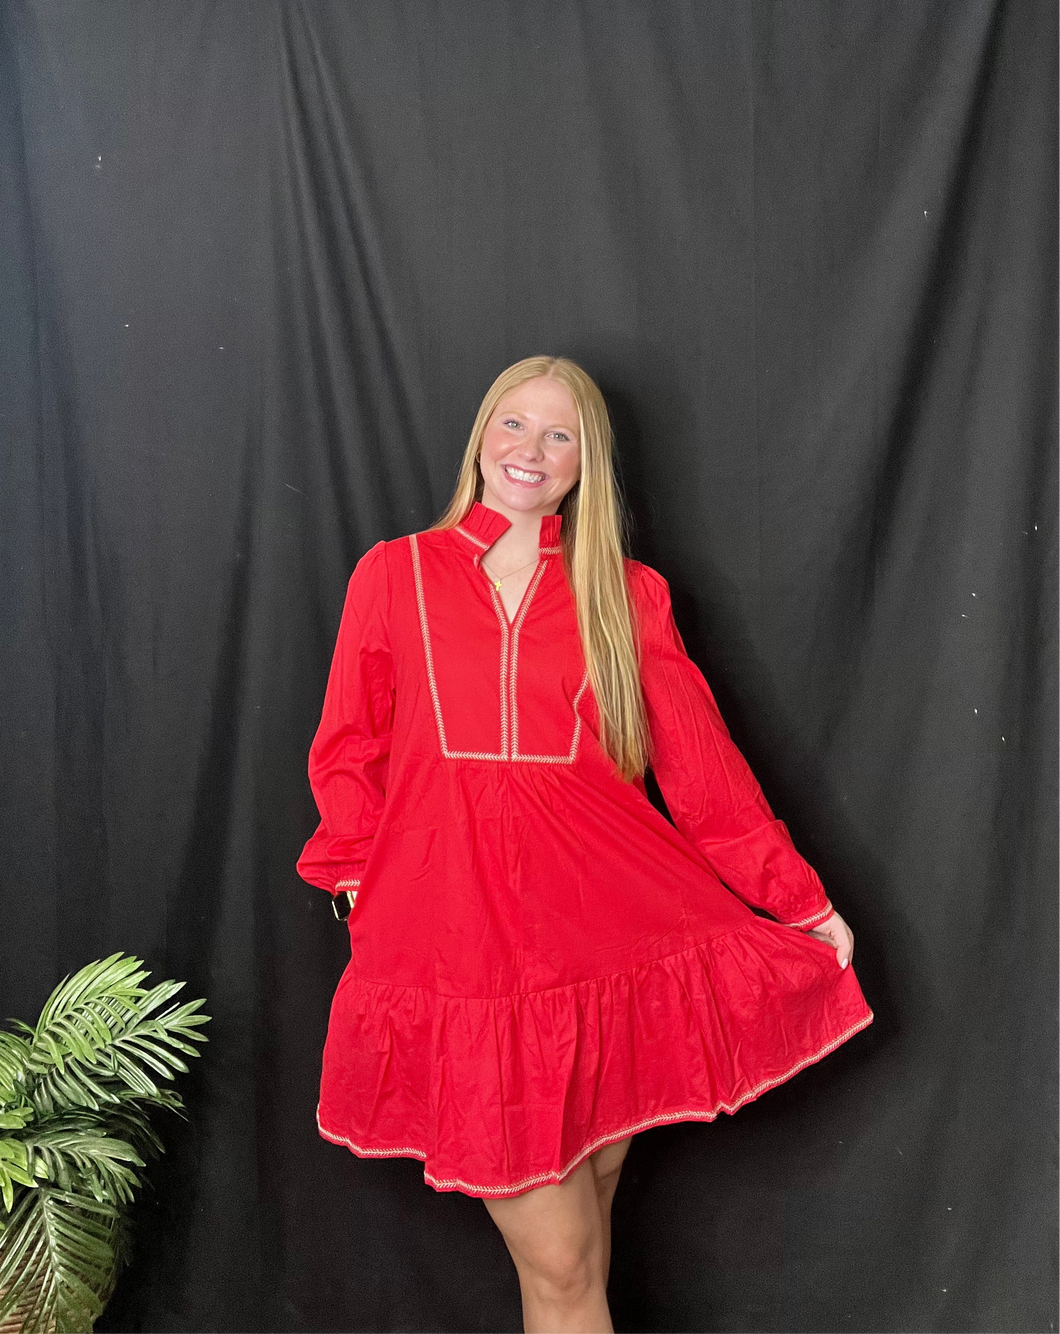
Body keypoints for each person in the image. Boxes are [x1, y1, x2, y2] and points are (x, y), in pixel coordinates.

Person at [297, 355, 873, 1334]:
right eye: (514, 424)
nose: (532, 449)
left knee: (582, 1260)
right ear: (482, 432)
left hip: (608, 948)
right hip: (464, 960)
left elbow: (704, 771)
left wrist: (798, 898)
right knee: (563, 1265)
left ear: (585, 464)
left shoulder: (625, 590)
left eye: (560, 435)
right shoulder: (393, 574)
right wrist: (357, 883)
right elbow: (351, 744)